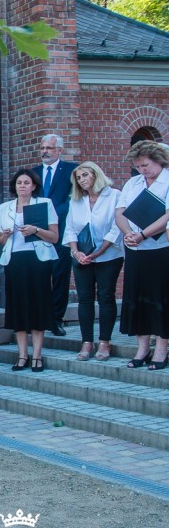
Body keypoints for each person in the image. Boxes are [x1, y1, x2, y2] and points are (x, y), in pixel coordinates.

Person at [0, 169, 60, 373]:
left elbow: (55, 237)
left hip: (38, 260)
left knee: (37, 306)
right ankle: (22, 355)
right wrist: (6, 235)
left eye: (26, 182)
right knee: (18, 307)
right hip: (14, 260)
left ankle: (37, 355)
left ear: (34, 186)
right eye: (19, 183)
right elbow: (1, 240)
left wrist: (36, 230)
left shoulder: (44, 204)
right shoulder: (5, 207)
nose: (22, 186)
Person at [114, 140, 169, 370]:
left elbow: (167, 215)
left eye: (145, 165)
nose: (142, 170)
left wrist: (143, 234)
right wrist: (128, 232)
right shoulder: (133, 183)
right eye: (137, 166)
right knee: (137, 297)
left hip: (161, 249)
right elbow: (120, 212)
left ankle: (162, 348)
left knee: (160, 297)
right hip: (135, 249)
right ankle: (143, 347)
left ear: (158, 160)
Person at [63, 162, 123, 362]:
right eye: (79, 177)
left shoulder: (114, 196)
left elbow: (117, 227)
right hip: (82, 257)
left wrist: (99, 251)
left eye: (85, 175)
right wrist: (75, 252)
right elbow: (70, 228)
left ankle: (105, 342)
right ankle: (86, 342)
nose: (82, 180)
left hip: (109, 256)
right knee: (85, 299)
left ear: (96, 175)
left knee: (106, 297)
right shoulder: (76, 200)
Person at [33, 134, 78, 336]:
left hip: (61, 231)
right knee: (40, 276)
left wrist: (55, 213)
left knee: (60, 275)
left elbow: (74, 197)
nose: (45, 152)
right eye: (42, 148)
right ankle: (41, 318)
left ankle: (56, 319)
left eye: (49, 148)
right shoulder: (33, 173)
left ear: (60, 150)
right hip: (38, 232)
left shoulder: (71, 170)